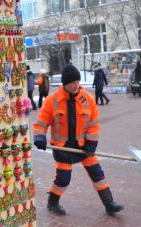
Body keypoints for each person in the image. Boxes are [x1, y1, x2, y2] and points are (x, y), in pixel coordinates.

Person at [33, 64, 124, 216]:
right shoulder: (52, 100)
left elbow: (93, 124)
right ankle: (52, 202)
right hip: (63, 149)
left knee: (97, 174)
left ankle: (109, 204)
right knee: (63, 179)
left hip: (84, 147)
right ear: (65, 84)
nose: (76, 85)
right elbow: (41, 123)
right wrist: (40, 138)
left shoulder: (87, 98)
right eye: (72, 83)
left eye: (78, 82)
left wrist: (91, 144)